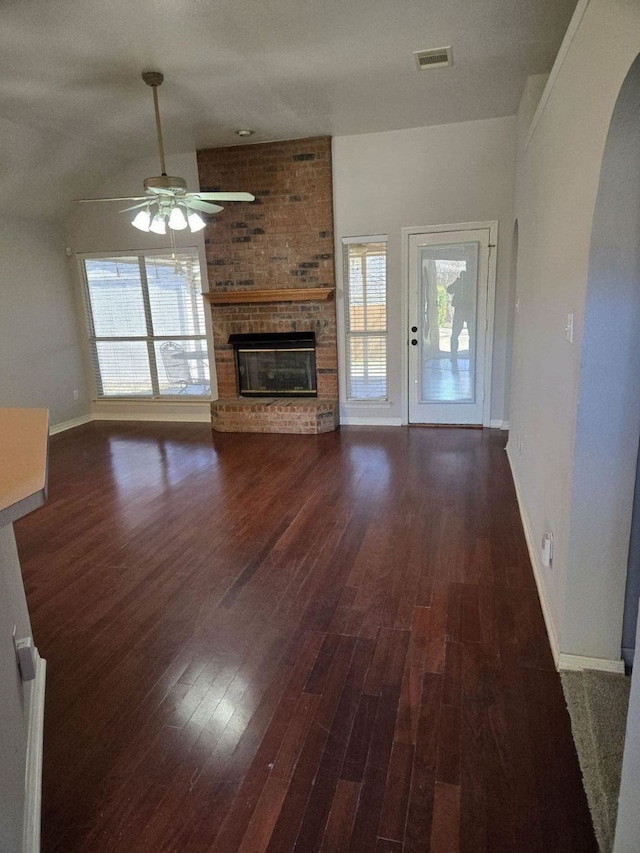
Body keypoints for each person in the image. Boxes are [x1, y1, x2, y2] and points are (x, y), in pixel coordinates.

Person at [447, 270, 474, 356]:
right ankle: (453, 354)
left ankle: (472, 354)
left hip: (469, 310)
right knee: (455, 334)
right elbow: (449, 290)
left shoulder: (472, 283)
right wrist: (457, 283)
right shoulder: (458, 283)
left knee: (472, 334)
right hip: (460, 309)